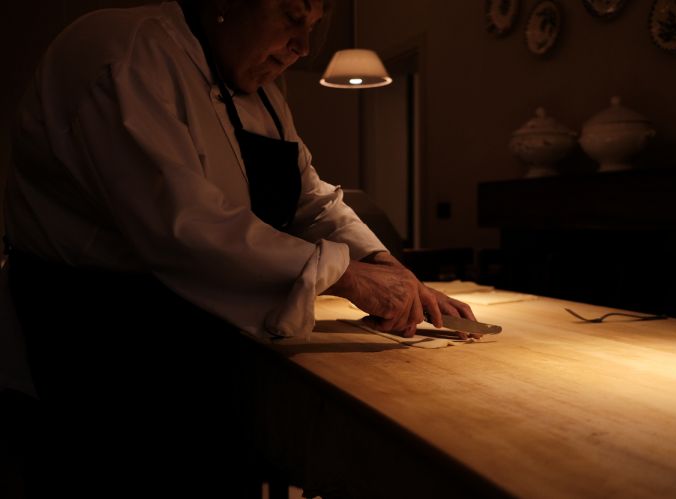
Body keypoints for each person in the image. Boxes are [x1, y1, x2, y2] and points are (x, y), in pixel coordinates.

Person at [3, 0, 475, 495]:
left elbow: (308, 198)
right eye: (293, 17)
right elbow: (186, 227)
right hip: (101, 352)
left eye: (313, 27)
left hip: (209, 349)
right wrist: (348, 277)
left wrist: (389, 266)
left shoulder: (265, 90)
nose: (303, 47)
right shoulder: (124, 52)